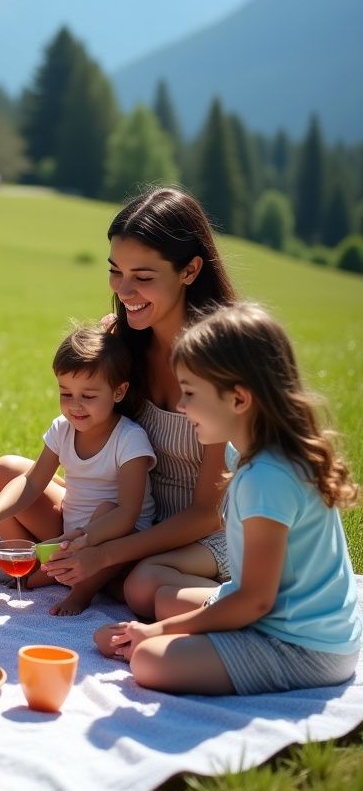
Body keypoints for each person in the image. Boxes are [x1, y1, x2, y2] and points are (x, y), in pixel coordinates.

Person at [94, 303, 361, 695]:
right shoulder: (252, 452)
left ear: (239, 399)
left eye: (190, 393)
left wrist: (157, 631)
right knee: (163, 598)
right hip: (273, 613)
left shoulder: (267, 477)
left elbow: (254, 601)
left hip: (299, 645)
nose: (182, 407)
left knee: (148, 658)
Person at [47, 187, 238, 608]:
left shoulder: (221, 366)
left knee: (140, 585)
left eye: (144, 277)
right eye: (116, 271)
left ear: (189, 271)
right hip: (129, 518)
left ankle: (253, 602)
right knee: (9, 473)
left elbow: (208, 513)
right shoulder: (120, 342)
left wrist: (106, 552)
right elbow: (81, 429)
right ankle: (107, 578)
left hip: (203, 535)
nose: (124, 290)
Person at [0, 322, 156, 616]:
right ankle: (35, 564)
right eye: (66, 393)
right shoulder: (63, 429)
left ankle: (80, 590)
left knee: (107, 509)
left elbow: (127, 513)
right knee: (5, 470)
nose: (75, 406)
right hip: (69, 530)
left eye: (89, 396)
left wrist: (78, 538)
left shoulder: (130, 439)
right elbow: (32, 483)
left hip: (115, 541)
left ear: (119, 392)